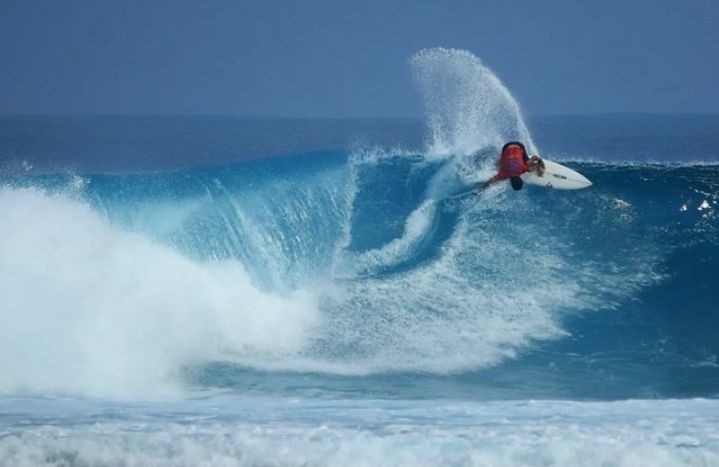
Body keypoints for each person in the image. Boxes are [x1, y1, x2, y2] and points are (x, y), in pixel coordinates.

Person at [478, 141, 545, 191]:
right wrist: (482, 188)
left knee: (527, 165)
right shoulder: (504, 174)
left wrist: (541, 168)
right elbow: (491, 180)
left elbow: (535, 158)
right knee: (499, 166)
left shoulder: (522, 169)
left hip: (518, 146)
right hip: (506, 147)